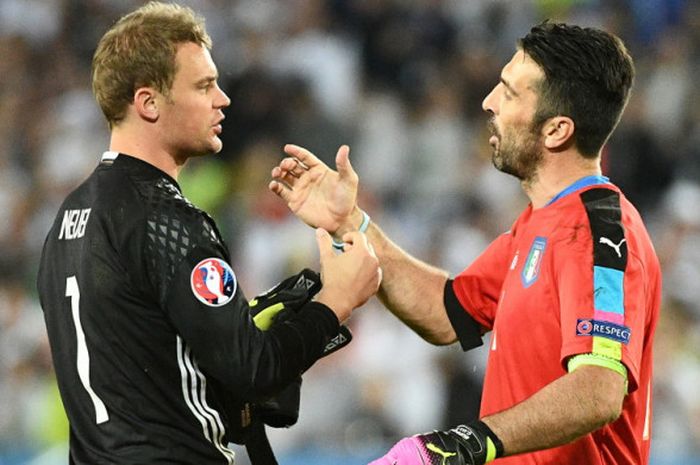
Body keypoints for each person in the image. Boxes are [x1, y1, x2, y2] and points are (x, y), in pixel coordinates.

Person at [269, 21, 660, 465]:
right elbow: (446, 311)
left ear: (556, 131)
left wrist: (464, 442)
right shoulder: (537, 225)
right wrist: (351, 223)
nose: (488, 101)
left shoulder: (597, 231)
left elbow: (598, 389)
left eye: (509, 93)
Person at [36, 2, 381, 464]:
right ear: (148, 103)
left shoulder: (65, 219)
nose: (223, 99)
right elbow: (254, 371)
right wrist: (336, 301)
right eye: (204, 86)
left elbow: (145, 381)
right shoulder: (166, 219)